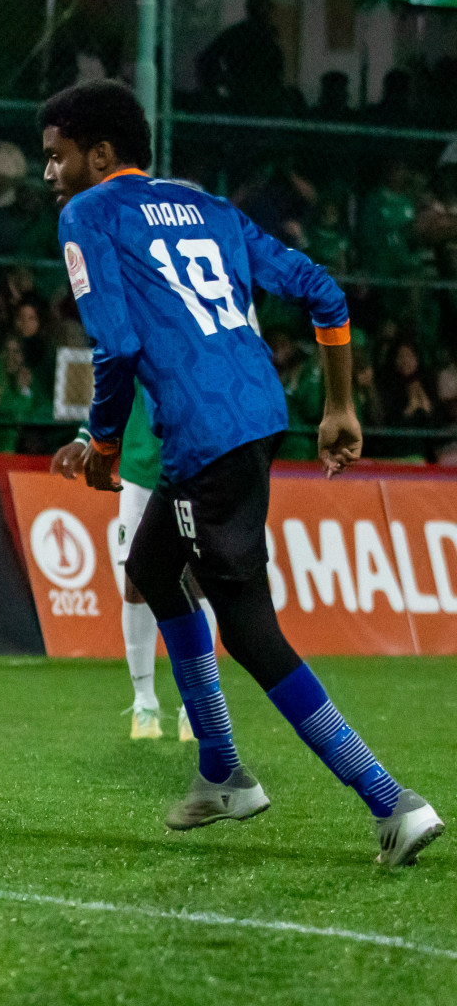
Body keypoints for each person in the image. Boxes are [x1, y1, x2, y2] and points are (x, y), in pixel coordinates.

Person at [40, 79, 443, 866]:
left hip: (202, 434)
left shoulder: (86, 216)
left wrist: (104, 445)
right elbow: (323, 294)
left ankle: (391, 800)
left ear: (100, 153)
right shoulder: (209, 209)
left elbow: (117, 348)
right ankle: (222, 771)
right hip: (258, 412)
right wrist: (340, 408)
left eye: (56, 157)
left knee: (253, 630)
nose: (49, 174)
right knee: (154, 565)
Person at [50, 382, 216, 739]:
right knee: (136, 582)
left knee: (198, 581)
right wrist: (83, 440)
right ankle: (144, 702)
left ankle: (197, 707)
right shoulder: (134, 325)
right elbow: (113, 385)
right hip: (141, 471)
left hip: (197, 464)